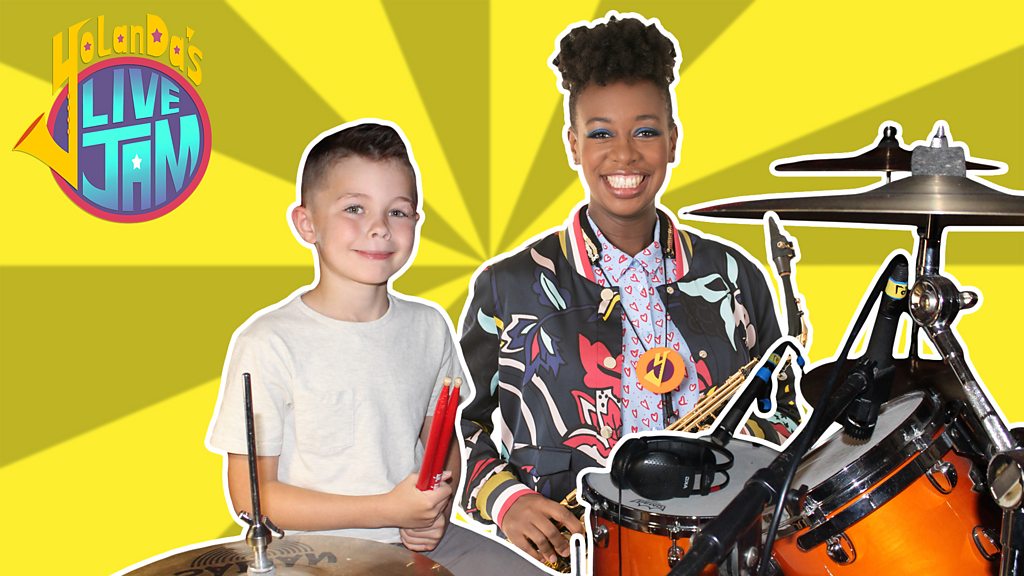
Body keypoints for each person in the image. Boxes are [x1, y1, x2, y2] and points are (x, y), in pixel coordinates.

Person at [458, 13, 787, 568]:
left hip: (720, 552)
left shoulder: (735, 277)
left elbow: (784, 411)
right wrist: (505, 499)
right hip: (569, 559)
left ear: (673, 140)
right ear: (573, 144)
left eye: (646, 131)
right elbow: (450, 423)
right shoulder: (509, 285)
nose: (625, 155)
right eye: (601, 133)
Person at [207, 120, 541, 576]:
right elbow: (252, 496)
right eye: (354, 208)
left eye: (397, 212)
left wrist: (436, 513)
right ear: (306, 223)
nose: (380, 228)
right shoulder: (267, 342)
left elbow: (441, 442)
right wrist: (388, 509)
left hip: (416, 540)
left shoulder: (429, 327)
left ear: (416, 222)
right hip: (309, 556)